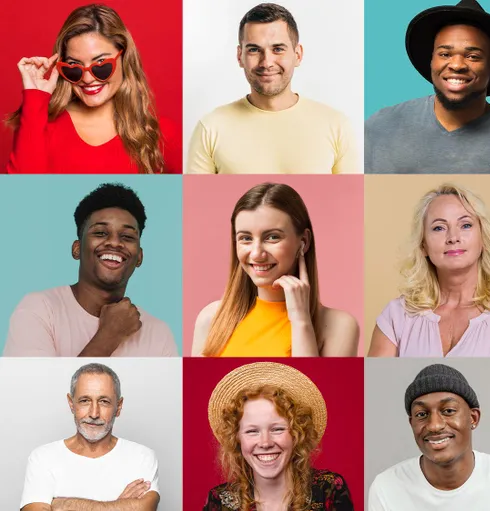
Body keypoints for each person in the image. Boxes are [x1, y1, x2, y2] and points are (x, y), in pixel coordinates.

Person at [364, 0, 490, 174]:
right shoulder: (380, 127)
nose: (457, 65)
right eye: (445, 54)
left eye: (473, 56)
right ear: (432, 60)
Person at [368, 183, 490, 357]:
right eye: (439, 228)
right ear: (423, 245)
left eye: (465, 225)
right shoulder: (396, 315)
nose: (453, 238)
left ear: (484, 238)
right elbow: (378, 383)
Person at [4, 183, 177, 357]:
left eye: (127, 236)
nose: (115, 243)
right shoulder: (38, 310)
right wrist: (109, 335)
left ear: (139, 257)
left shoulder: (159, 334)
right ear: (77, 249)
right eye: (101, 233)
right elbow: (37, 385)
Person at [6, 4, 180, 174]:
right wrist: (35, 98)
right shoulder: (38, 125)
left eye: (101, 65)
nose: (87, 79)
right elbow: (19, 197)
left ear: (124, 58)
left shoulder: (160, 134)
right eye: (74, 66)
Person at [186, 3, 357, 175]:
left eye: (278, 49)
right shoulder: (210, 128)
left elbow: (351, 198)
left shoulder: (336, 126)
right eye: (254, 50)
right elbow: (195, 199)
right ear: (240, 56)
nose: (266, 62)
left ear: (297, 55)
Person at [192, 183, 359, 357]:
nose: (256, 254)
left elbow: (311, 384)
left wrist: (301, 321)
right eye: (246, 238)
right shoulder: (211, 318)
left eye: (272, 237)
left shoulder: (339, 326)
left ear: (304, 242)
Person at [369, 363, 490, 510]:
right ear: (411, 423)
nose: (435, 425)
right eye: (421, 414)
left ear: (473, 418)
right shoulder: (386, 487)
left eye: (448, 411)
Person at [205, 362, 353, 510]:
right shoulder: (219, 501)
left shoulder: (329, 490)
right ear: (237, 439)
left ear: (296, 433)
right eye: (252, 431)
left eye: (277, 429)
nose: (265, 443)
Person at [19, 363, 160, 510]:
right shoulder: (42, 458)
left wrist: (63, 505)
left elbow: (144, 508)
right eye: (85, 401)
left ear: (118, 407)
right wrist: (119, 506)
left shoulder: (142, 457)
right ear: (71, 403)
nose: (94, 413)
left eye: (104, 401)